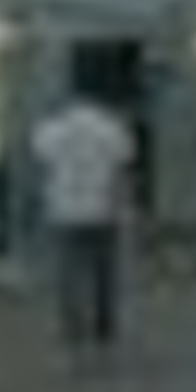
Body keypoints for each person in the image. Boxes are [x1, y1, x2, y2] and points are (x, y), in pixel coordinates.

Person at [29, 70, 138, 365]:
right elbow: (123, 171)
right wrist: (127, 208)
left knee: (69, 277)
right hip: (103, 211)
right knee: (104, 276)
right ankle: (104, 336)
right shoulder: (112, 128)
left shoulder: (51, 129)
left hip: (64, 211)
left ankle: (73, 337)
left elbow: (42, 164)